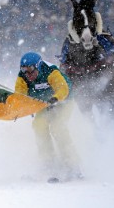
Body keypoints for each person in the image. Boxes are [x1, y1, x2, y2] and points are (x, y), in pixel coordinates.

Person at [15, 52, 82, 183]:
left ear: (38, 66)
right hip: (43, 105)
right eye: (24, 71)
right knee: (39, 126)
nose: (28, 75)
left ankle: (73, 165)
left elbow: (63, 89)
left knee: (57, 128)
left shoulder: (51, 71)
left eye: (31, 70)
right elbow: (20, 94)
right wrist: (21, 103)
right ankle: (48, 163)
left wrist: (55, 98)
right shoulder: (22, 77)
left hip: (63, 102)